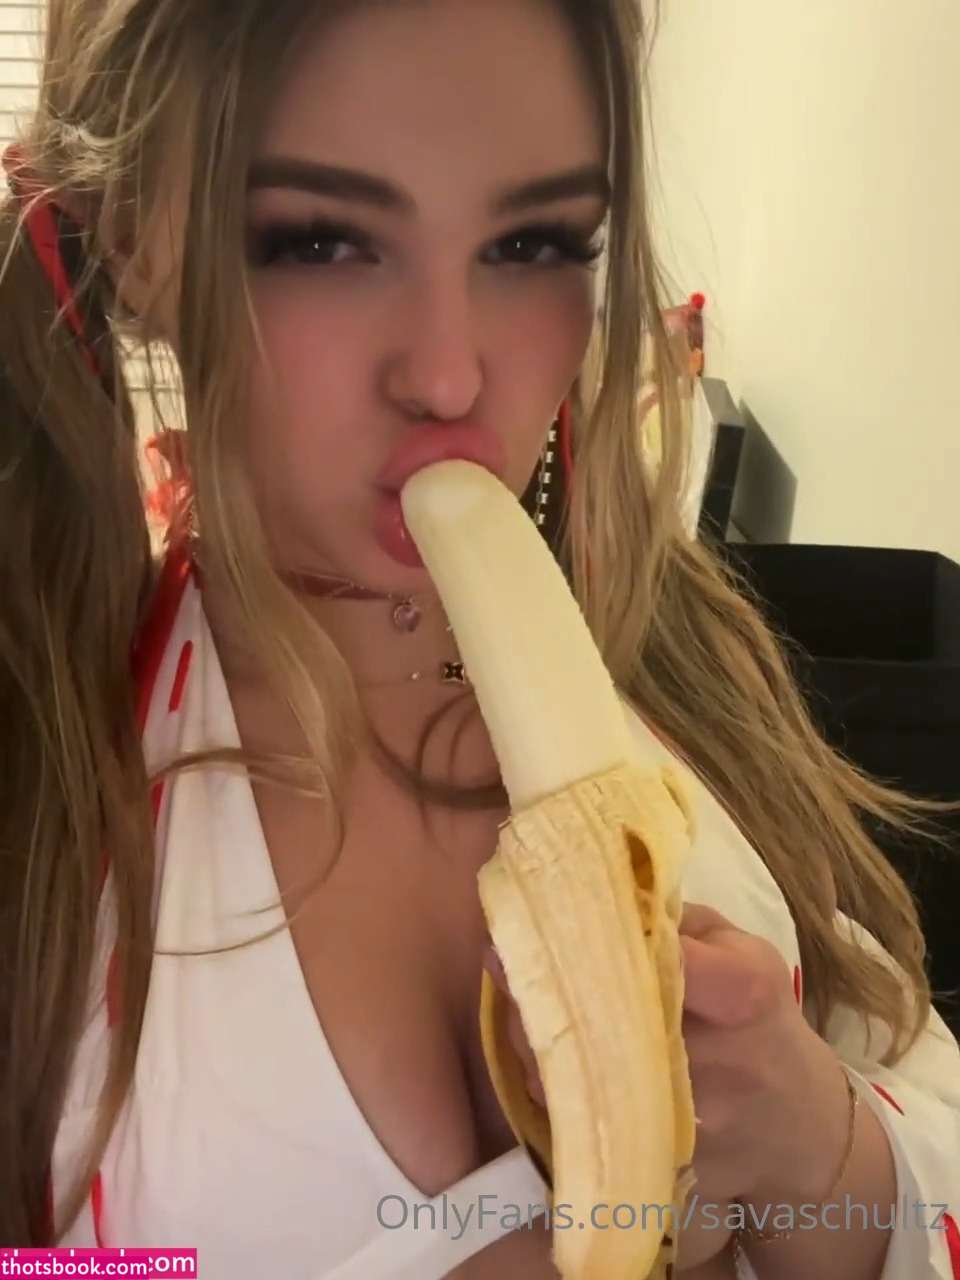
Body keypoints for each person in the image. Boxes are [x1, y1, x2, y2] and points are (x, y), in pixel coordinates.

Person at [0, 0, 957, 1276]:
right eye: (322, 240)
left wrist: (831, 1164)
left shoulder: (692, 672)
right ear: (135, 245)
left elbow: (916, 1085)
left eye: (532, 242)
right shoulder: (43, 790)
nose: (449, 377)